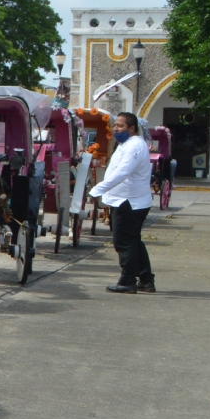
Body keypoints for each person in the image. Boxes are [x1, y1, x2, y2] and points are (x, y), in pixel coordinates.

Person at [88, 111, 155, 293]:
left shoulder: (134, 146)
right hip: (127, 200)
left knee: (123, 242)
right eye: (115, 125)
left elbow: (123, 172)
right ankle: (146, 279)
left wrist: (98, 190)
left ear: (131, 128)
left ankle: (127, 281)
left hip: (129, 202)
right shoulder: (125, 144)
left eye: (120, 125)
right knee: (133, 241)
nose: (116, 128)